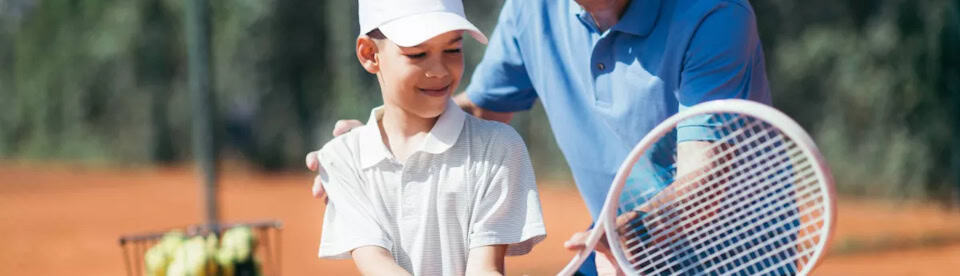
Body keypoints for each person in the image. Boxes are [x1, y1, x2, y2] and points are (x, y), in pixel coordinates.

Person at [309, 0, 771, 274]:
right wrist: (388, 139)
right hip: (613, 252)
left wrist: (632, 230)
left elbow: (706, 180)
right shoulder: (532, 9)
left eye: (451, 49)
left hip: (731, 260)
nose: (440, 60)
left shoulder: (715, 14)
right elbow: (475, 110)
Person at [313, 0, 546, 275]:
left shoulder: (499, 148)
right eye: (417, 54)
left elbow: (484, 268)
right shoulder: (343, 158)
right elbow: (377, 265)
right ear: (369, 53)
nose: (439, 70)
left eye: (452, 49)